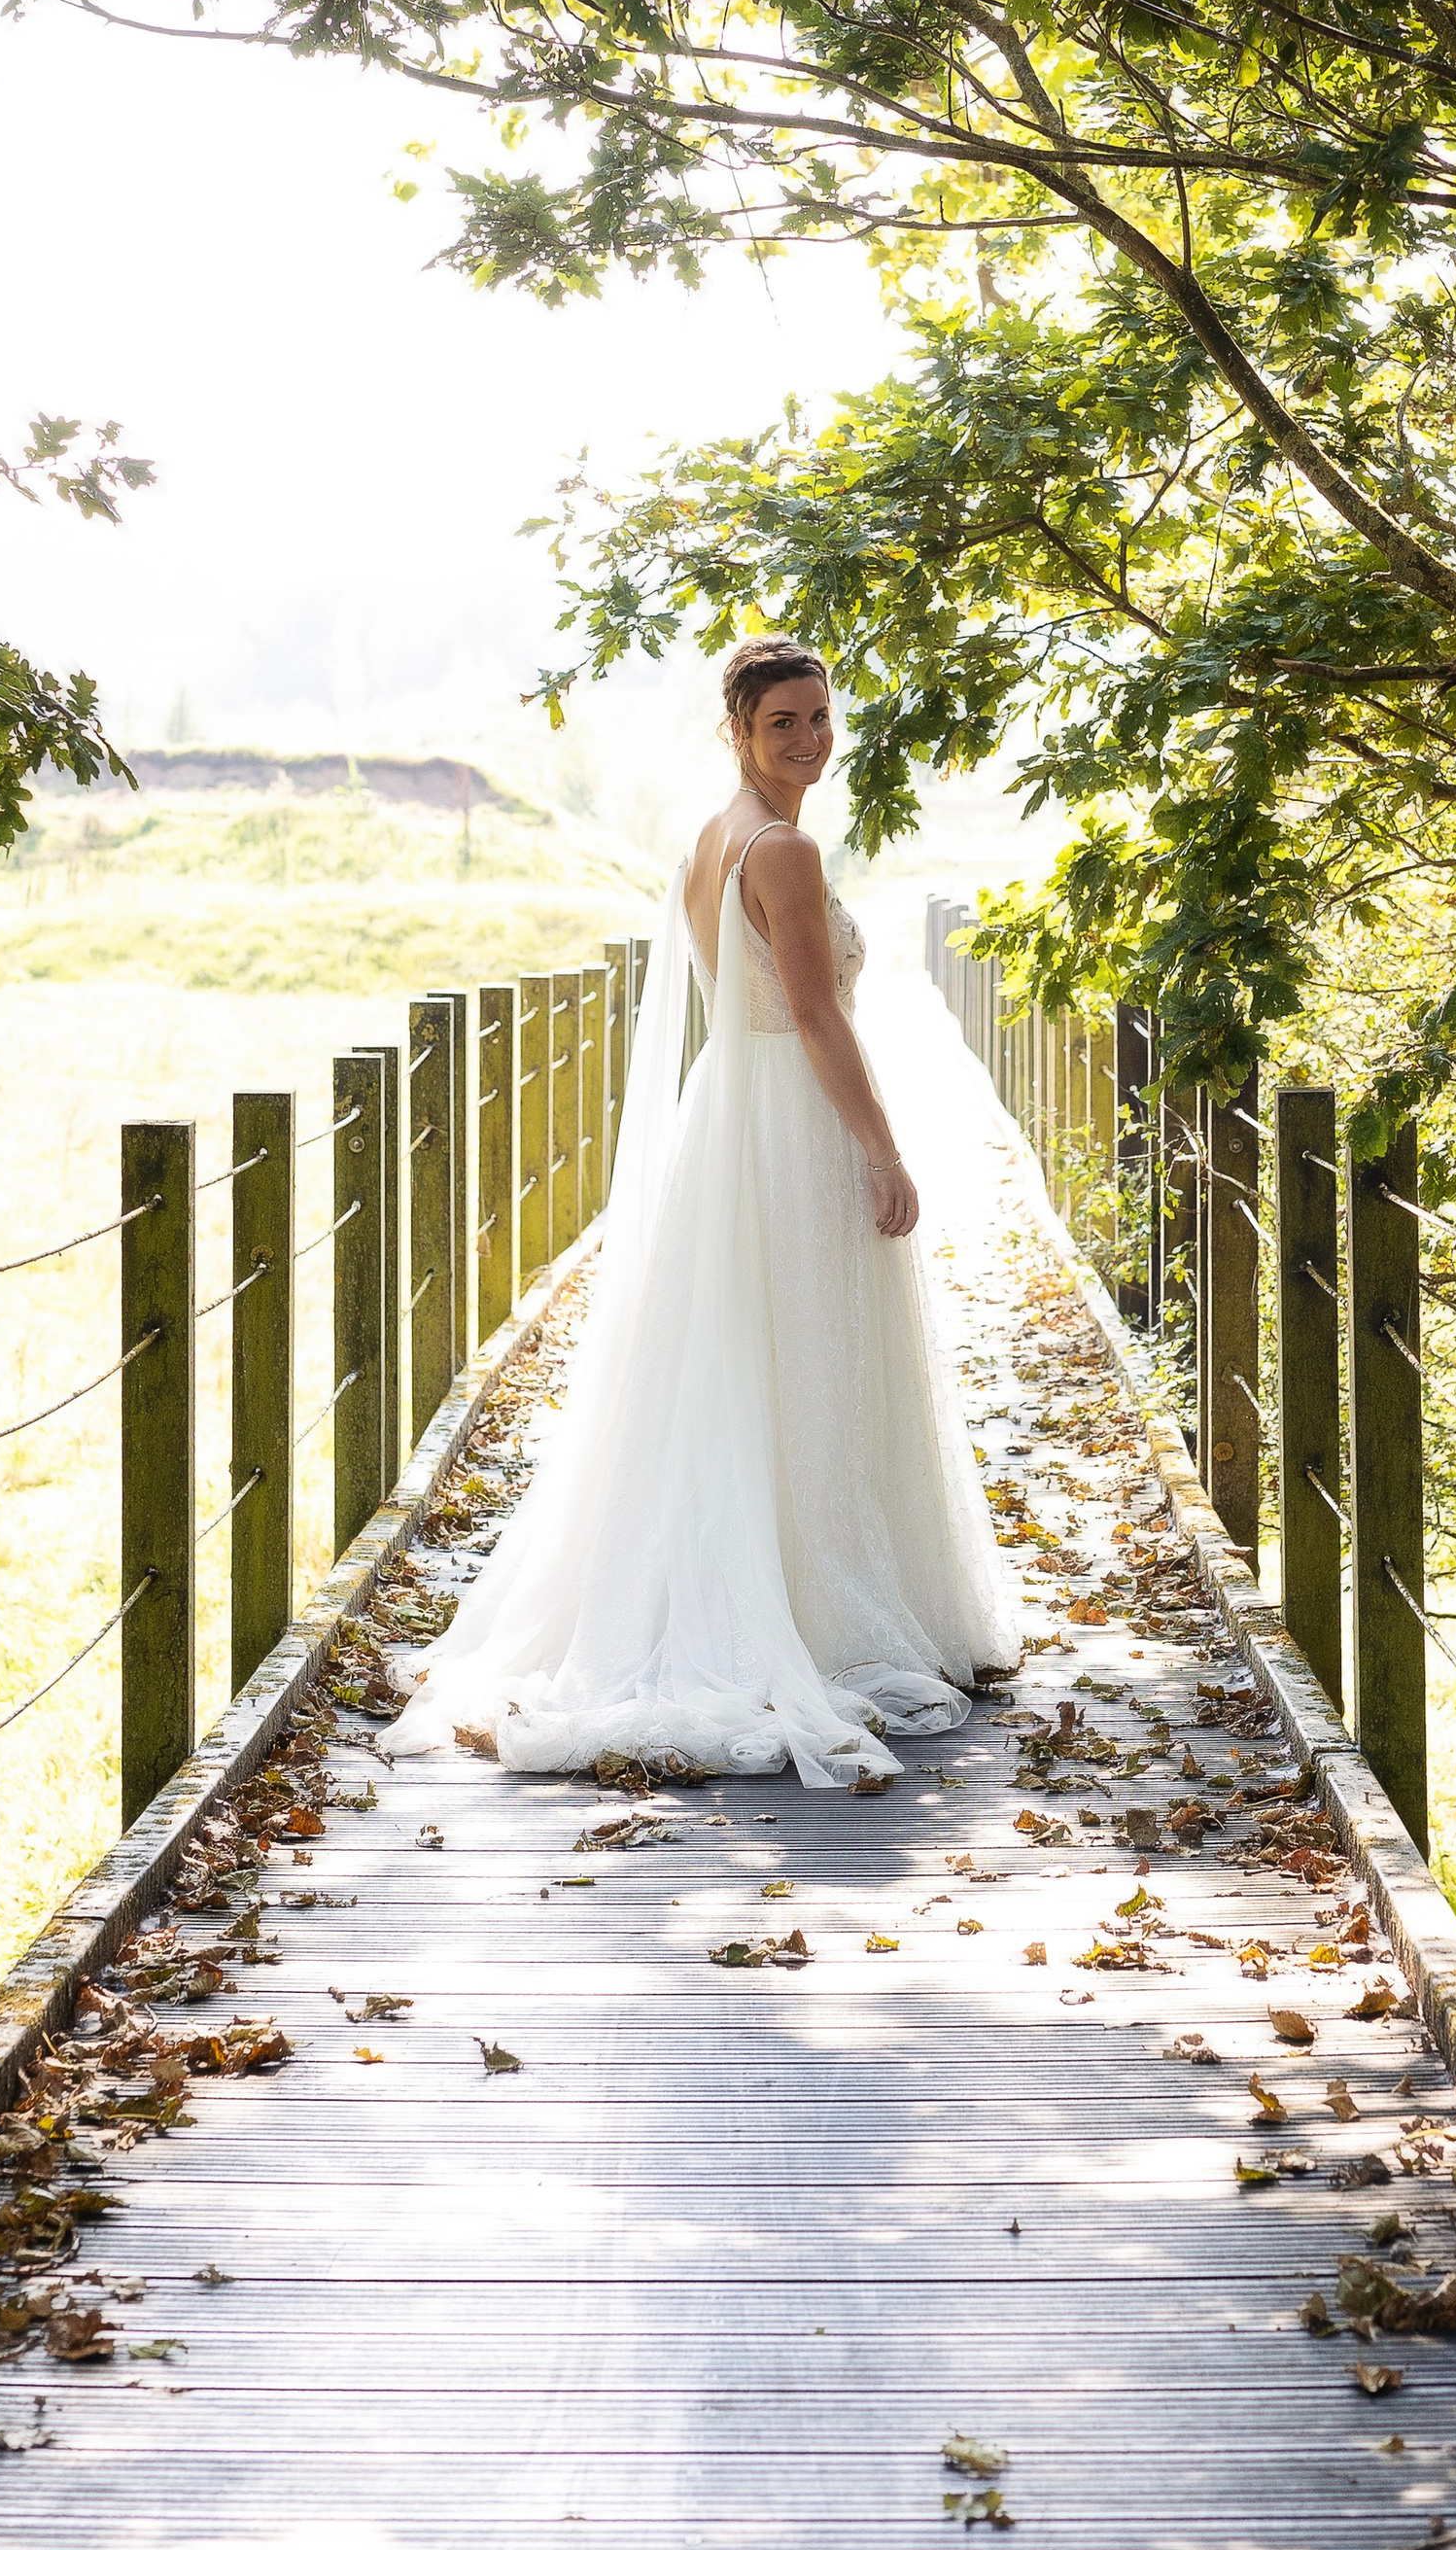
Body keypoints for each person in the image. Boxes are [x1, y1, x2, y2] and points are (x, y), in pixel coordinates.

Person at [385, 637, 1017, 1784]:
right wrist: (882, 1149)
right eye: (784, 722)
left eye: (821, 716)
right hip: (787, 1116)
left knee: (744, 1363)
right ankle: (814, 1614)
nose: (811, 739)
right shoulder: (781, 848)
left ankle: (779, 1586)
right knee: (809, 1361)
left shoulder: (710, 839)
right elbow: (818, 1018)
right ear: (736, 730)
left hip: (729, 1112)